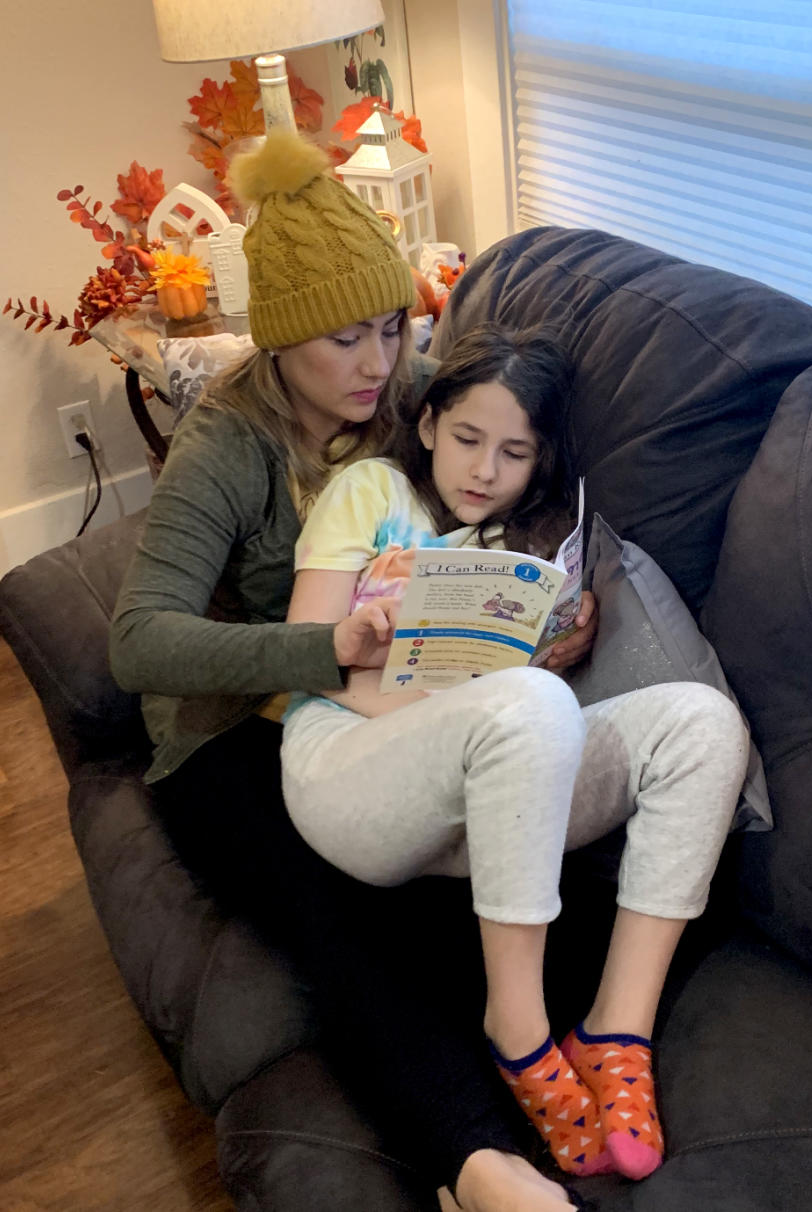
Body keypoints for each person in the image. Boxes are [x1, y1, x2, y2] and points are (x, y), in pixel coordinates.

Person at [109, 127, 600, 1212]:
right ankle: (480, 1168)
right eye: (344, 340)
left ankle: (541, 1059)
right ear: (281, 342)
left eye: (392, 327)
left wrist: (555, 615)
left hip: (393, 698)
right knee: (341, 913)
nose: (379, 364)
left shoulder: (416, 394)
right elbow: (138, 638)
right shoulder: (226, 445)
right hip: (230, 725)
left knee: (479, 880)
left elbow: (507, 482)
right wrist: (328, 644)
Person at [280, 324, 750, 1186]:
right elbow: (307, 650)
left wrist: (557, 650)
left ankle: (616, 1028)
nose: (484, 471)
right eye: (465, 439)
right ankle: (521, 1030)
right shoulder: (371, 489)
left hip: (492, 789)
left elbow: (522, 716)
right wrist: (441, 691)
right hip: (349, 758)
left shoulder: (528, 546)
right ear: (426, 425)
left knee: (704, 723)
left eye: (514, 453)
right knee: (528, 706)